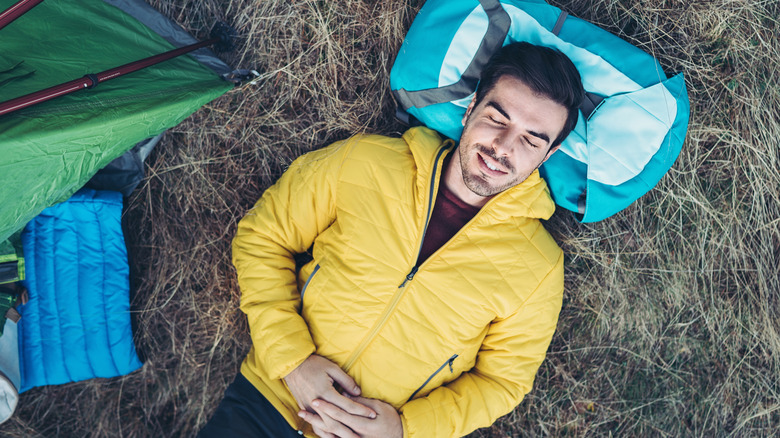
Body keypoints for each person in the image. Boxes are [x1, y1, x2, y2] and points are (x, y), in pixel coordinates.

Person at [199, 41, 584, 438]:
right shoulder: (365, 161)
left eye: (531, 140)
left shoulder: (539, 269)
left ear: (547, 155)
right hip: (266, 401)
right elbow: (263, 236)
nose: (503, 147)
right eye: (496, 118)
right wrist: (293, 362)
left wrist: (406, 429)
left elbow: (502, 382)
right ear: (469, 109)